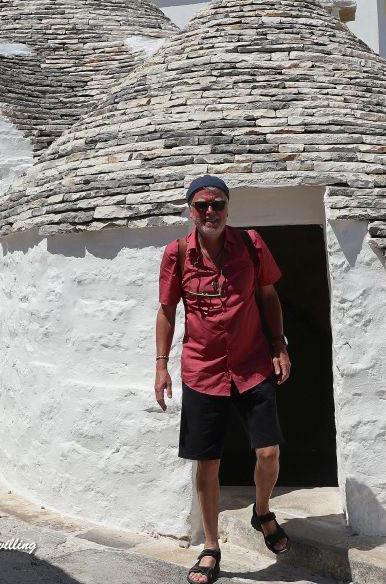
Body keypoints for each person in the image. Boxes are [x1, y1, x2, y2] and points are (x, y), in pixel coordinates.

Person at [155, 175, 292, 584]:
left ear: (228, 207)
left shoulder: (250, 244)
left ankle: (262, 510)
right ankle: (211, 546)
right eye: (202, 206)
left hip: (252, 364)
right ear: (190, 210)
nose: (210, 212)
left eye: (217, 204)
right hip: (203, 368)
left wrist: (279, 345)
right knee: (207, 461)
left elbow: (268, 296)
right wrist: (161, 365)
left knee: (268, 452)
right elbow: (166, 311)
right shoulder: (176, 254)